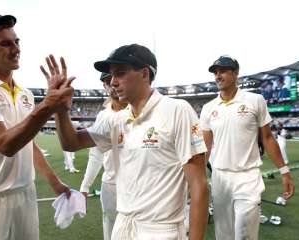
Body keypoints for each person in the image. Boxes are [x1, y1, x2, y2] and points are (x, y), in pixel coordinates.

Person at [40, 43, 209, 240]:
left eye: (120, 73)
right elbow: (71, 143)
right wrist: (60, 109)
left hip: (160, 230)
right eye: (111, 76)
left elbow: (199, 186)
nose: (112, 82)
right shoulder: (117, 119)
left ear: (145, 74)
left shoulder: (176, 110)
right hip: (123, 226)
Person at [0, 13, 72, 240]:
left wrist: (55, 182)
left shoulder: (25, 93)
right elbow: (5, 144)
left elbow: (27, 143)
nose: (16, 49)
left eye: (17, 42)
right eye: (5, 44)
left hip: (25, 195)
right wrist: (48, 105)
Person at [200, 55, 295, 240]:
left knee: (244, 232)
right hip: (220, 177)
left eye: (223, 71)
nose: (218, 76)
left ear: (236, 73)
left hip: (248, 176)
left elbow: (267, 138)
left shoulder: (255, 100)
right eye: (216, 73)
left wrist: (285, 171)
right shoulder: (208, 108)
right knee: (224, 234)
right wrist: (197, 178)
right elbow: (206, 146)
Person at [80, 72, 128, 240]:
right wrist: (85, 187)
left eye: (116, 77)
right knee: (111, 232)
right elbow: (96, 154)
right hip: (111, 186)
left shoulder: (139, 110)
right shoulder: (103, 116)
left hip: (140, 185)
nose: (113, 84)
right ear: (105, 86)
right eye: (107, 81)